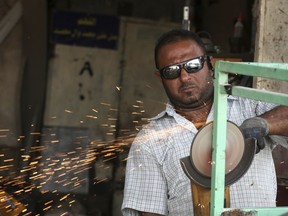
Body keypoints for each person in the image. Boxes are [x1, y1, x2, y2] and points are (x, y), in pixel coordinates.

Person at [121, 29, 288, 216]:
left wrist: (264, 123)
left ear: (210, 63)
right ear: (160, 77)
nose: (184, 77)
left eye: (192, 65)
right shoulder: (150, 140)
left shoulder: (249, 105)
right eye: (171, 71)